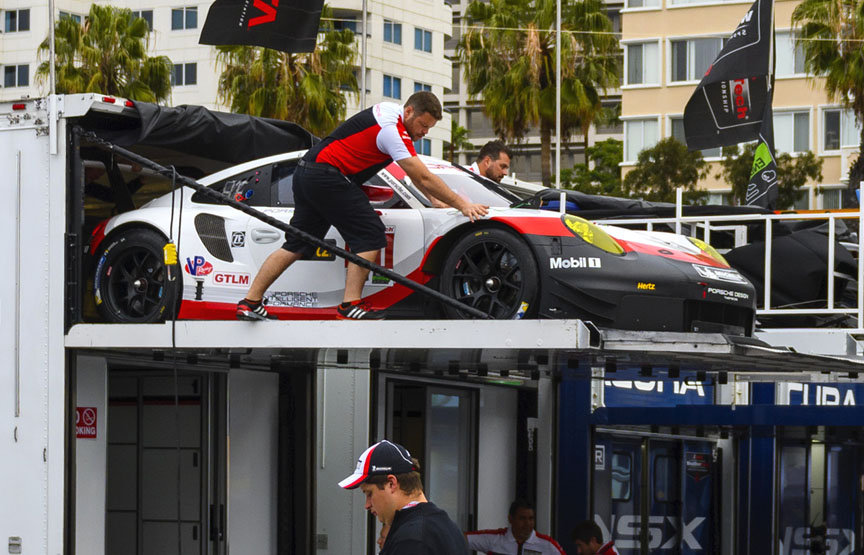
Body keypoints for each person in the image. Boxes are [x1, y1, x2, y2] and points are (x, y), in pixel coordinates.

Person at [236, 91, 489, 321]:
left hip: (307, 172)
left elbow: (413, 174)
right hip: (327, 175)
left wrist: (434, 200)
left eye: (429, 128)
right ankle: (349, 305)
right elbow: (422, 175)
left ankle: (250, 302)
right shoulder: (392, 130)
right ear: (409, 112)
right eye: (423, 125)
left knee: (297, 244)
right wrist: (463, 205)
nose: (424, 133)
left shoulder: (389, 112)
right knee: (370, 235)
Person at [339, 440, 469, 554]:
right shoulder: (448, 527)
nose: (367, 505)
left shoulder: (412, 540)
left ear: (391, 483)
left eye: (369, 493)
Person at [466, 499, 566, 555]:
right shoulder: (494, 539)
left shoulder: (547, 545)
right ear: (510, 519)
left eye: (531, 518)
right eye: (522, 518)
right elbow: (460, 538)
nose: (527, 524)